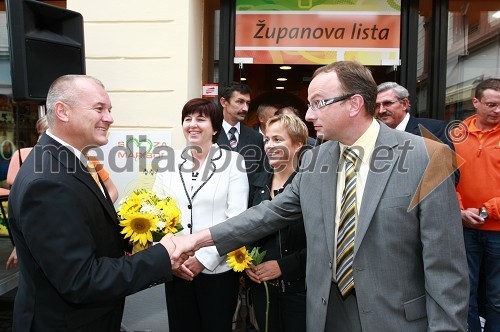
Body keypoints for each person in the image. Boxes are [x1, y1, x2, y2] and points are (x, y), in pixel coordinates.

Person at [171, 61, 469, 331]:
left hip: (394, 320)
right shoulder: (315, 160)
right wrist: (197, 240)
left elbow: (446, 271)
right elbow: (269, 214)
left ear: (354, 104)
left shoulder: (428, 158)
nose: (309, 114)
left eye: (318, 103)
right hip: (325, 316)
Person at [7, 74, 190, 331]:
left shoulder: (70, 163)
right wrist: (160, 258)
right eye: (99, 108)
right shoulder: (48, 181)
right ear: (62, 111)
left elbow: (86, 232)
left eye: (110, 110)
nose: (109, 118)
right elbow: (81, 280)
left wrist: (143, 240)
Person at [153, 98, 249, 332]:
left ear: (215, 127)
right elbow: (157, 212)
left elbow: (236, 219)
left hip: (217, 271)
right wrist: (172, 258)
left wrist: (204, 259)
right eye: (188, 119)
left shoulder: (233, 162)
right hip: (177, 268)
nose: (192, 124)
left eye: (201, 119)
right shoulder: (168, 161)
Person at [5, 116, 118, 270]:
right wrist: (20, 245)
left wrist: (96, 210)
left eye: (46, 132)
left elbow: (111, 190)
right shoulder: (37, 162)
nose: (42, 137)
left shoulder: (88, 160)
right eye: (40, 133)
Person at [246, 114, 307, 332]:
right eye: (267, 139)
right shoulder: (256, 182)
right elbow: (245, 227)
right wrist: (247, 262)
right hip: (261, 290)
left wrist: (283, 266)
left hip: (299, 292)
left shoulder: (309, 185)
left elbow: (323, 242)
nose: (269, 146)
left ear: (298, 144)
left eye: (278, 140)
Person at [454, 78, 500, 332]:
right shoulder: (456, 134)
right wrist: (459, 211)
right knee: (464, 295)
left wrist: (486, 210)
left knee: (496, 298)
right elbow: (447, 179)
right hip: (463, 228)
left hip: (497, 232)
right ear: (476, 102)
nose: (498, 111)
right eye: (491, 105)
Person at [376, 82, 454, 149]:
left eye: (388, 103)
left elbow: (446, 165)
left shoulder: (434, 130)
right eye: (377, 106)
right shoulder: (375, 135)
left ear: (404, 104)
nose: (381, 110)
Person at [217, 82, 265, 180]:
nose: (245, 108)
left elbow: (261, 175)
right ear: (223, 102)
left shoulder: (256, 137)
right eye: (240, 102)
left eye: (247, 103)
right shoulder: (209, 134)